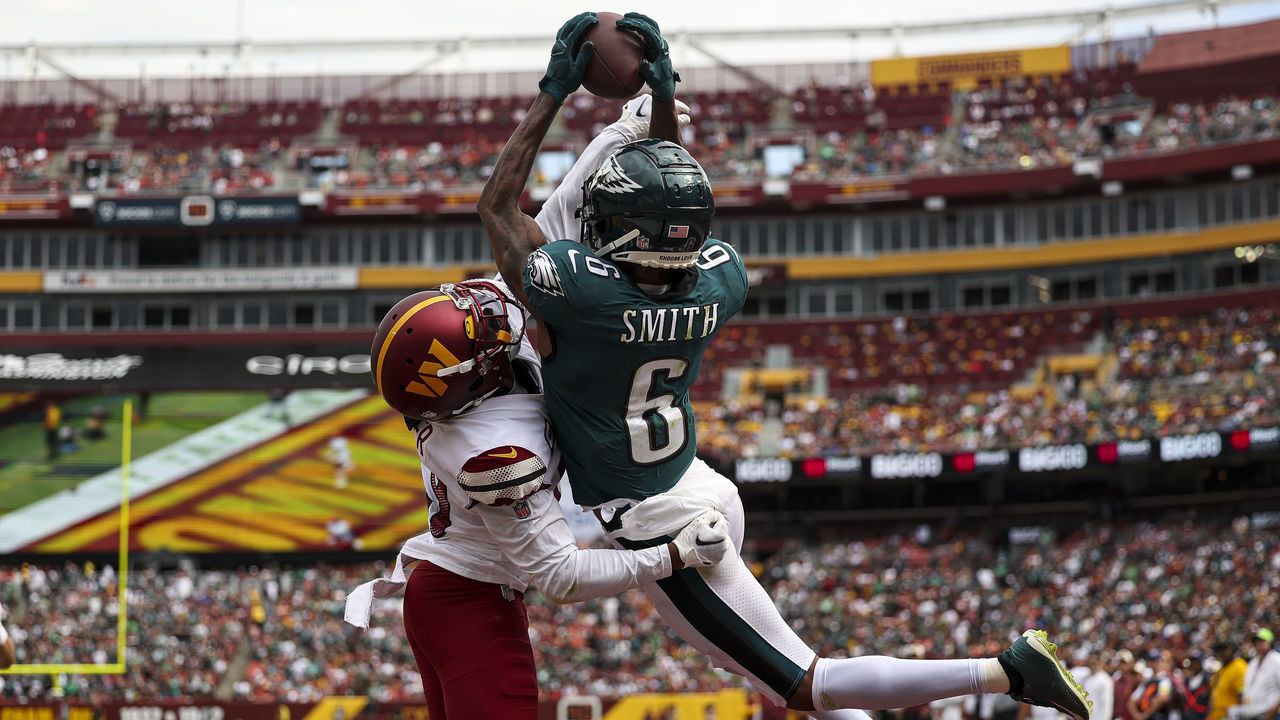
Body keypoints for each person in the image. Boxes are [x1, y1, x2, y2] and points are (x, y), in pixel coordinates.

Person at [478, 10, 1093, 720]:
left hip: (663, 521)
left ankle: (1004, 671)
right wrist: (663, 99)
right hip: (703, 486)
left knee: (806, 682)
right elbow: (672, 188)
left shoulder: (579, 297)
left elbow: (498, 206)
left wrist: (552, 91)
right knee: (778, 670)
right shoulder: (720, 278)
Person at [345, 99, 731, 720]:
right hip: (468, 600)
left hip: (453, 592)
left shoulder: (470, 395)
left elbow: (554, 217)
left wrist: (623, 130)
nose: (498, 317)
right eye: (483, 332)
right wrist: (674, 556)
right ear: (467, 380)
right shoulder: (493, 448)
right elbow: (561, 577)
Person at [1239, 629, 1280, 720]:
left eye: (1263, 641)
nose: (1259, 644)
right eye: (1256, 641)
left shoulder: (1277, 661)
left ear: (1270, 642)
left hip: (1270, 715)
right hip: (1251, 714)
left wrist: (1274, 711)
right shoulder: (1253, 663)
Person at [1209, 642, 1247, 720]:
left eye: (1224, 649)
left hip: (1231, 716)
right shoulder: (1221, 668)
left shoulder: (1239, 667)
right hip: (1217, 716)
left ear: (1232, 649)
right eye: (1218, 650)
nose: (1221, 653)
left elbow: (1243, 695)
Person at [1182, 652, 1211, 720]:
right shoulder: (1187, 680)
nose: (1192, 665)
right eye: (1191, 663)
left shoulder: (1207, 680)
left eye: (1195, 663)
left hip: (1201, 716)